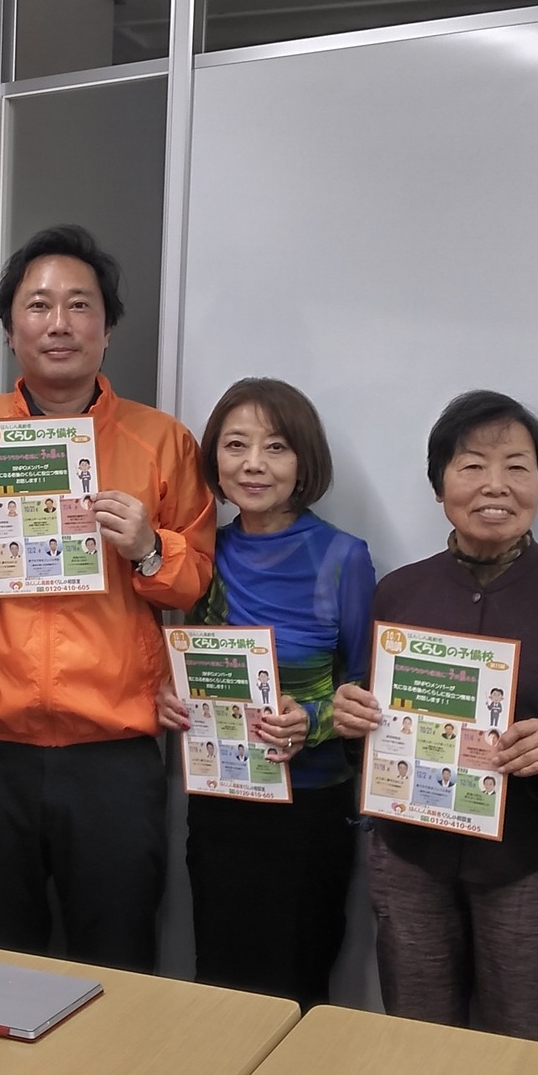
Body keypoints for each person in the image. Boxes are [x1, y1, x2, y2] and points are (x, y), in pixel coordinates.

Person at [0, 225, 214, 970]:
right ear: (12, 329)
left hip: (113, 750)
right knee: (0, 957)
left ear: (107, 329)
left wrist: (149, 547)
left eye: (80, 305)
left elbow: (196, 573)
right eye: (39, 305)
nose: (60, 323)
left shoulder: (161, 441)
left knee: (117, 959)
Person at [334, 390, 538, 1049]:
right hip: (410, 860)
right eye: (472, 466)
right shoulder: (400, 592)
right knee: (420, 1045)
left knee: (535, 1051)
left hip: (534, 863)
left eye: (517, 467)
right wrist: (354, 722)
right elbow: (375, 734)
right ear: (440, 485)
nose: (496, 484)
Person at [154, 378, 373, 1008]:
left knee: (298, 983)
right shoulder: (203, 554)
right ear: (215, 460)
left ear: (304, 461)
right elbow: (189, 661)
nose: (253, 464)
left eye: (276, 447)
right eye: (236, 445)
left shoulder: (342, 557)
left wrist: (313, 720)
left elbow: (367, 688)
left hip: (311, 807)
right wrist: (169, 696)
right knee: (219, 983)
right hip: (221, 799)